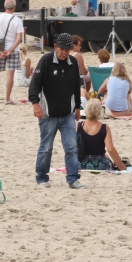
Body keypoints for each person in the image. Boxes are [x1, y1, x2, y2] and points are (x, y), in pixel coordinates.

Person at [29, 33, 84, 189]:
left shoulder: (73, 62)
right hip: (48, 114)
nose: (64, 53)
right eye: (62, 49)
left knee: (72, 147)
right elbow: (35, 84)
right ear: (55, 47)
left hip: (67, 113)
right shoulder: (46, 61)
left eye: (67, 50)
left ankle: (73, 179)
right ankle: (41, 178)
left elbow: (76, 86)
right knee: (46, 147)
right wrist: (35, 103)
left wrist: (78, 106)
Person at [0, 0, 24, 104]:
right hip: (13, 50)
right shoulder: (17, 20)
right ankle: (7, 99)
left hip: (0, 48)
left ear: (4, 6)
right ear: (14, 7)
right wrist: (11, 50)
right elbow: (19, 38)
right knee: (10, 75)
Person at [77, 99, 128, 171]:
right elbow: (110, 149)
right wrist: (121, 166)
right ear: (99, 112)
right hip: (101, 163)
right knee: (108, 160)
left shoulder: (78, 126)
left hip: (81, 163)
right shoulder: (105, 128)